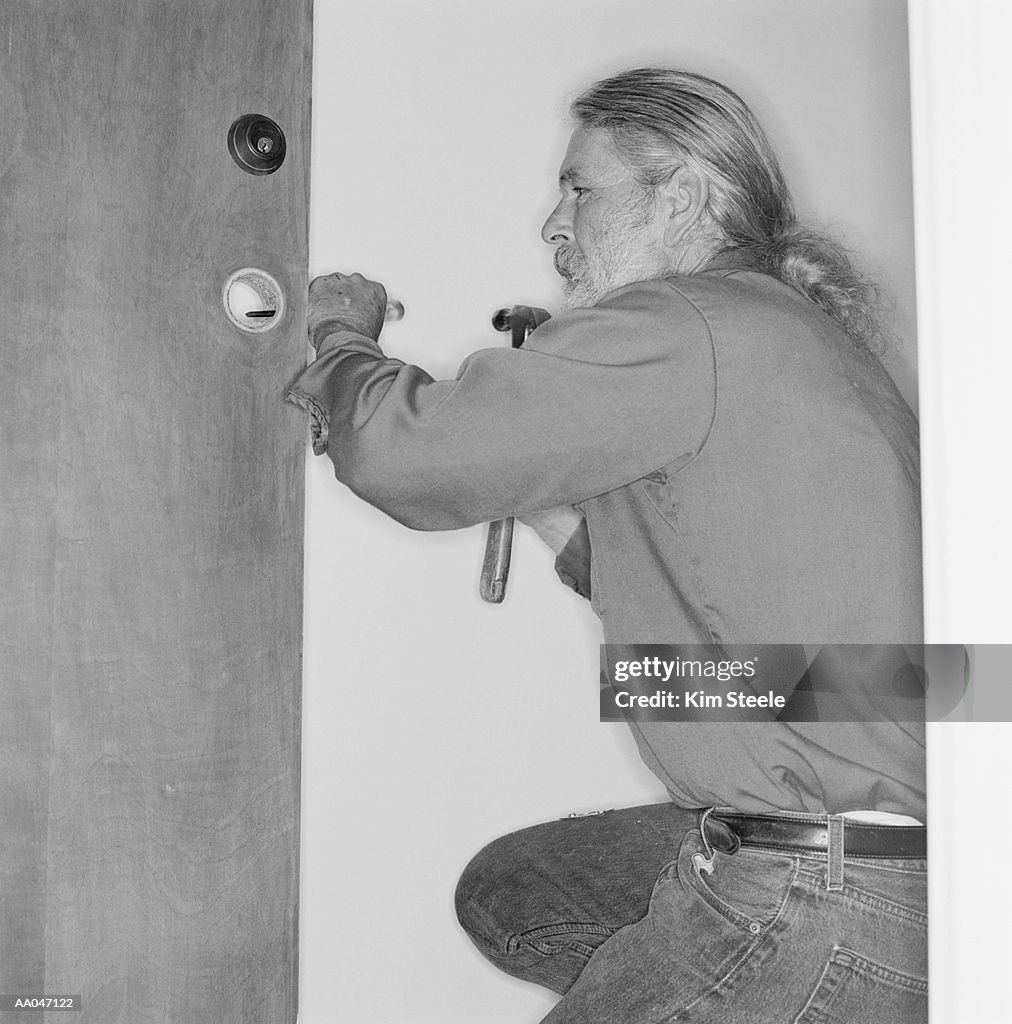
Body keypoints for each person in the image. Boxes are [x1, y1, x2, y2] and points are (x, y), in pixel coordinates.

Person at [287, 68, 926, 1022]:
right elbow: (891, 681)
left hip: (827, 891)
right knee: (515, 890)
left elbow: (406, 452)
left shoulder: (686, 319)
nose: (553, 226)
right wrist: (589, 548)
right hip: (930, 873)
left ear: (684, 192)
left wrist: (339, 338)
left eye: (580, 190)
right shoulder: (809, 346)